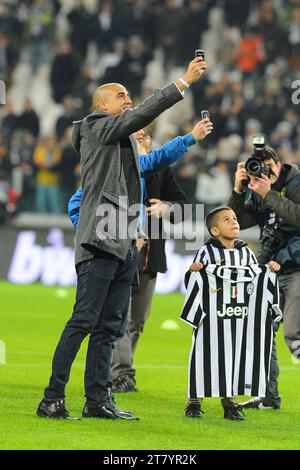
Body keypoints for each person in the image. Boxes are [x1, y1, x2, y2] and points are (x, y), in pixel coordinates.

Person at [36, 55, 208, 421]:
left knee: (110, 328)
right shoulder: (96, 127)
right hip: (100, 240)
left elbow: (150, 162)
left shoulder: (120, 145)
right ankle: (52, 397)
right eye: (122, 96)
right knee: (83, 320)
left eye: (130, 96)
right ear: (103, 105)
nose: (128, 100)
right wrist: (183, 82)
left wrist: (188, 139)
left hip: (124, 243)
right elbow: (139, 117)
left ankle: (98, 400)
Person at [68, 123, 213, 393]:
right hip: (117, 252)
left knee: (137, 322)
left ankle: (121, 369)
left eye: (144, 134)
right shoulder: (112, 168)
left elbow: (185, 209)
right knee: (118, 317)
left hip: (149, 257)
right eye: (136, 133)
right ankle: (121, 372)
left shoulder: (160, 172)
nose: (141, 136)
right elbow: (79, 202)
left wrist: (166, 208)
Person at [182, 206, 281, 420]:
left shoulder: (246, 253)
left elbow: (257, 280)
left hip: (239, 317)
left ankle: (230, 403)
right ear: (215, 231)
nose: (234, 222)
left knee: (234, 357)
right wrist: (193, 271)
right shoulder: (206, 252)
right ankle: (194, 402)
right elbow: (193, 284)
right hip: (211, 319)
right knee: (204, 356)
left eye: (235, 218)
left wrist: (270, 269)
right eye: (226, 220)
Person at [227, 145, 300, 409]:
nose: (263, 171)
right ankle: (269, 396)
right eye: (257, 166)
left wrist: (268, 194)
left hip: (296, 267)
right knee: (262, 332)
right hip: (269, 270)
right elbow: (231, 222)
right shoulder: (257, 189)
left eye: (267, 166)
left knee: (294, 334)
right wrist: (238, 189)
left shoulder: (296, 183)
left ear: (279, 165)